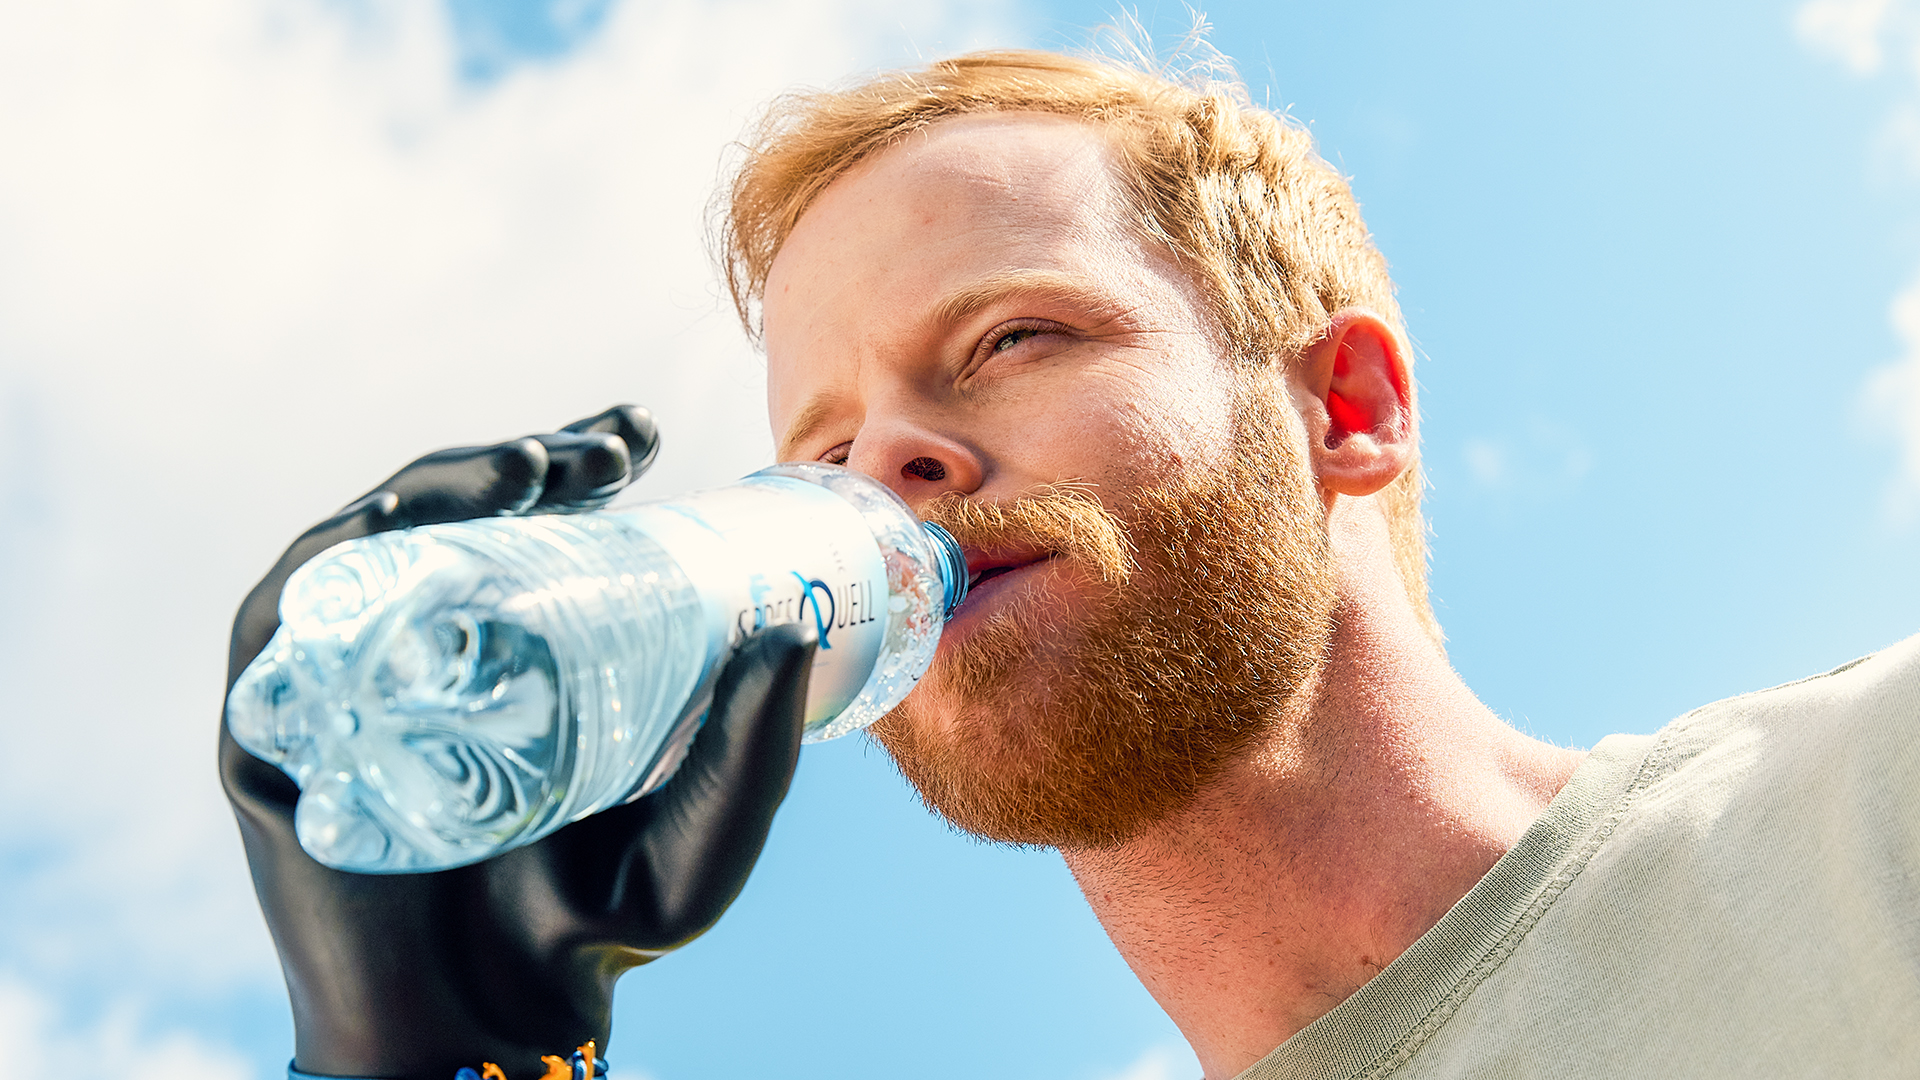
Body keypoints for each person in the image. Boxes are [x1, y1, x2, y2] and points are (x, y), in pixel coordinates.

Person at [222, 48, 1920, 1080]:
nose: (889, 462)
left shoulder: (1865, 823)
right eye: (818, 449)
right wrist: (445, 1062)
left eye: (1013, 335)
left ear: (1344, 406)